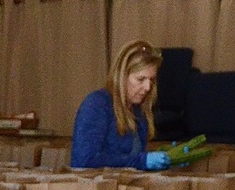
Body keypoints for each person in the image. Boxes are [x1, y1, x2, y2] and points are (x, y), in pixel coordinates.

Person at [71, 40, 170, 171]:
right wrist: (141, 161)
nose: (147, 87)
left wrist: (169, 159)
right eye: (141, 79)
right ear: (122, 76)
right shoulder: (97, 105)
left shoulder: (140, 112)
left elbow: (133, 164)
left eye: (151, 80)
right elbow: (84, 161)